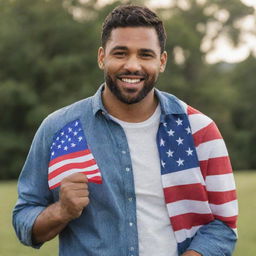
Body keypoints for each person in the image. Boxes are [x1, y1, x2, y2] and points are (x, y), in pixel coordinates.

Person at [13, 4, 238, 256]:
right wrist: (62, 211)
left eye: (145, 55)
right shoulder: (57, 128)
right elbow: (24, 218)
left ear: (161, 61)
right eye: (120, 53)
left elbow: (224, 225)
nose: (132, 65)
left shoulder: (200, 130)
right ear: (101, 57)